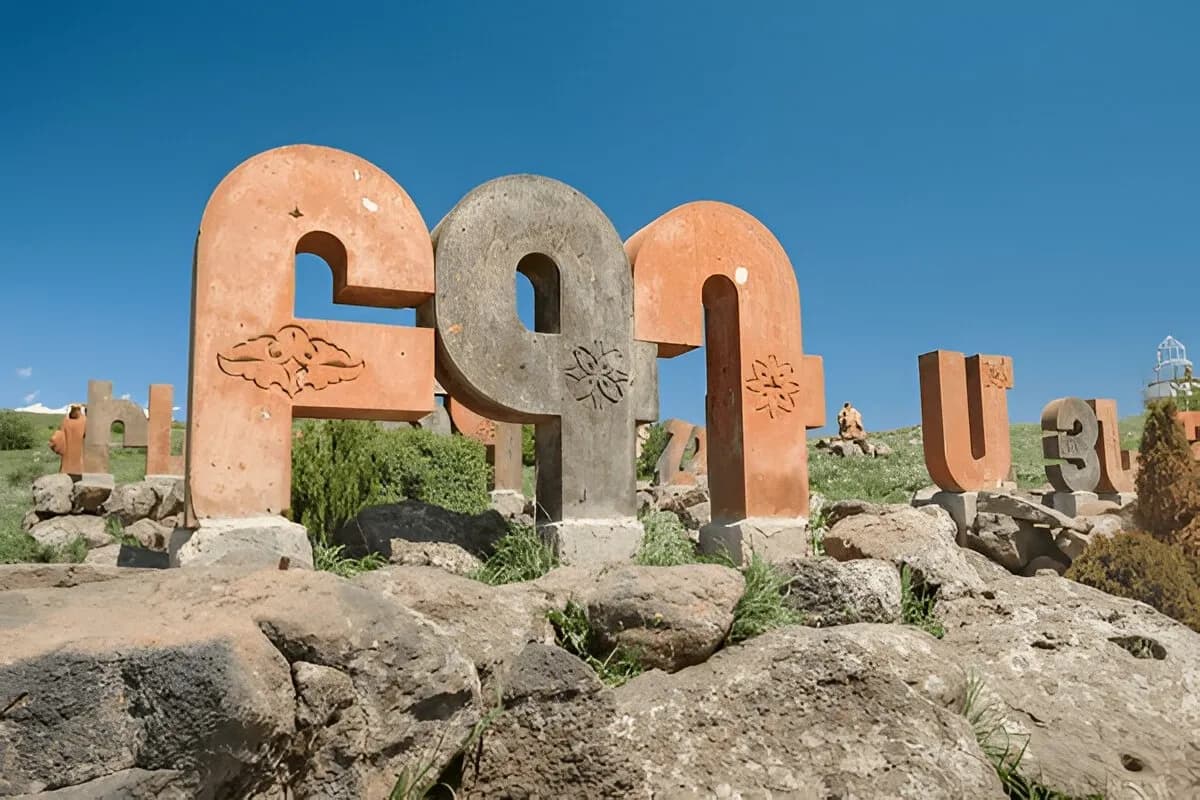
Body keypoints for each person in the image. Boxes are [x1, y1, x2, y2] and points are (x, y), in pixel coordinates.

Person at [50, 404, 86, 476]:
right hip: (80, 452)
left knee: (66, 466)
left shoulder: (65, 421)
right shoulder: (84, 420)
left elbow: (60, 434)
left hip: (67, 457)